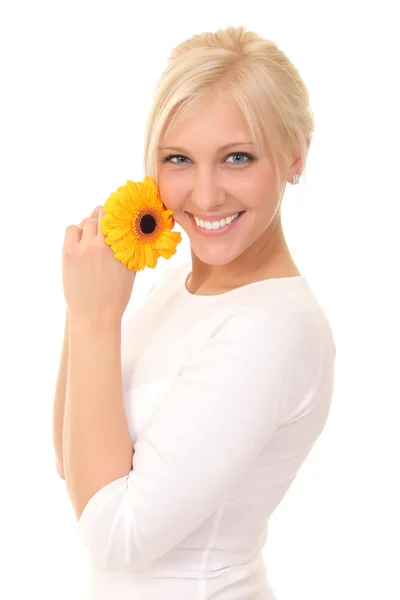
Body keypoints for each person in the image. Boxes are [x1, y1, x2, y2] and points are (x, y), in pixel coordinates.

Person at [53, 25, 336, 600]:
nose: (204, 197)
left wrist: (94, 319)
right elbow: (71, 461)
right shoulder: (177, 287)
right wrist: (87, 303)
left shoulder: (271, 327)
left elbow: (112, 535)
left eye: (238, 157)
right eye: (179, 159)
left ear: (294, 154)